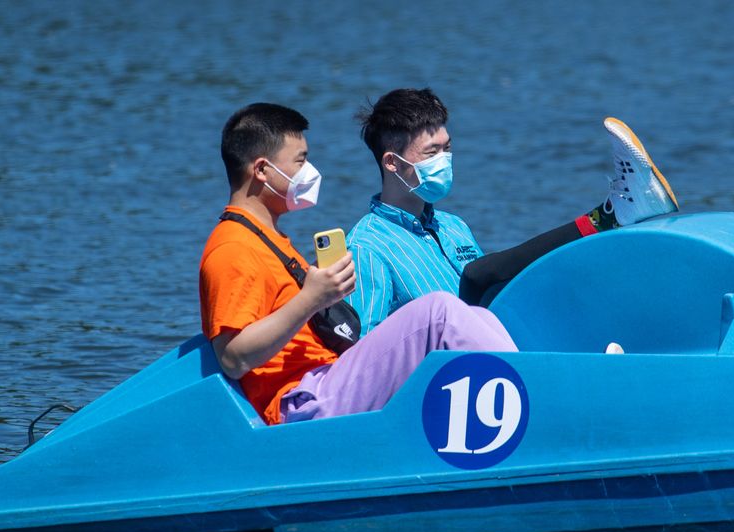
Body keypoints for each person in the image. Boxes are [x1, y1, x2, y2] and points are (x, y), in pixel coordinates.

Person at [199, 102, 518, 426]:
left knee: (477, 315)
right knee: (439, 312)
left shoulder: (268, 240)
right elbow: (233, 357)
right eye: (301, 160)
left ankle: (522, 390)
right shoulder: (233, 247)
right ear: (263, 170)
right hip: (301, 402)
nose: (310, 171)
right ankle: (532, 396)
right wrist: (312, 298)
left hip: (327, 379)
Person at [347, 88, 679, 333]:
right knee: (479, 277)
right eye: (432, 152)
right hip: (445, 382)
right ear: (392, 162)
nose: (444, 160)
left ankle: (619, 227)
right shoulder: (366, 247)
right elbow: (363, 353)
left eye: (448, 148)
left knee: (557, 280)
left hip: (498, 346)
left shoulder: (452, 226)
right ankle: (609, 215)